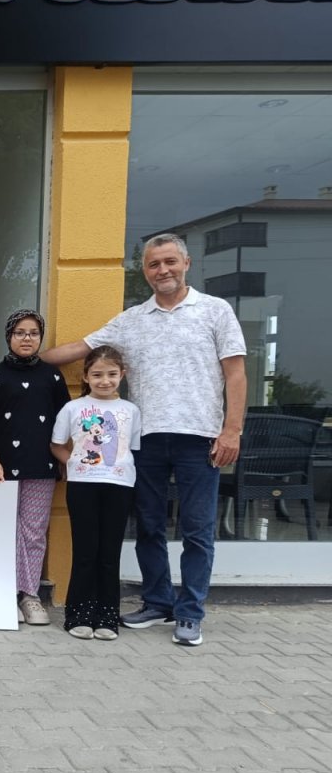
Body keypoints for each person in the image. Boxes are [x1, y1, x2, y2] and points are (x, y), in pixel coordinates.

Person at [43, 233, 247, 648]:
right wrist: (27, 360)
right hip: (145, 440)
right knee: (150, 527)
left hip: (199, 438)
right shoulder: (132, 320)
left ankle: (189, 613)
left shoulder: (215, 311)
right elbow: (81, 348)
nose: (163, 270)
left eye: (170, 261)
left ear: (186, 263)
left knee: (196, 530)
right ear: (145, 271)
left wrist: (232, 430)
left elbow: (236, 373)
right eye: (154, 264)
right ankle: (157, 601)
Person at [0, 310, 71, 627]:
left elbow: (65, 420)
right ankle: (3, 591)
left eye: (33, 333)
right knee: (3, 529)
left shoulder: (52, 377)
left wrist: (65, 459)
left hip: (41, 467)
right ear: (9, 337)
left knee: (33, 532)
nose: (26, 338)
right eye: (19, 332)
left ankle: (29, 594)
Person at [50, 347, 141, 641]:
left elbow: (133, 448)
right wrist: (73, 463)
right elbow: (56, 445)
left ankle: (107, 616)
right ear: (86, 377)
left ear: (122, 375)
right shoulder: (72, 409)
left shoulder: (130, 411)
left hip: (119, 485)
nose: (105, 380)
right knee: (85, 551)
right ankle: (78, 614)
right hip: (83, 485)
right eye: (97, 374)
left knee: (109, 553)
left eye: (112, 374)